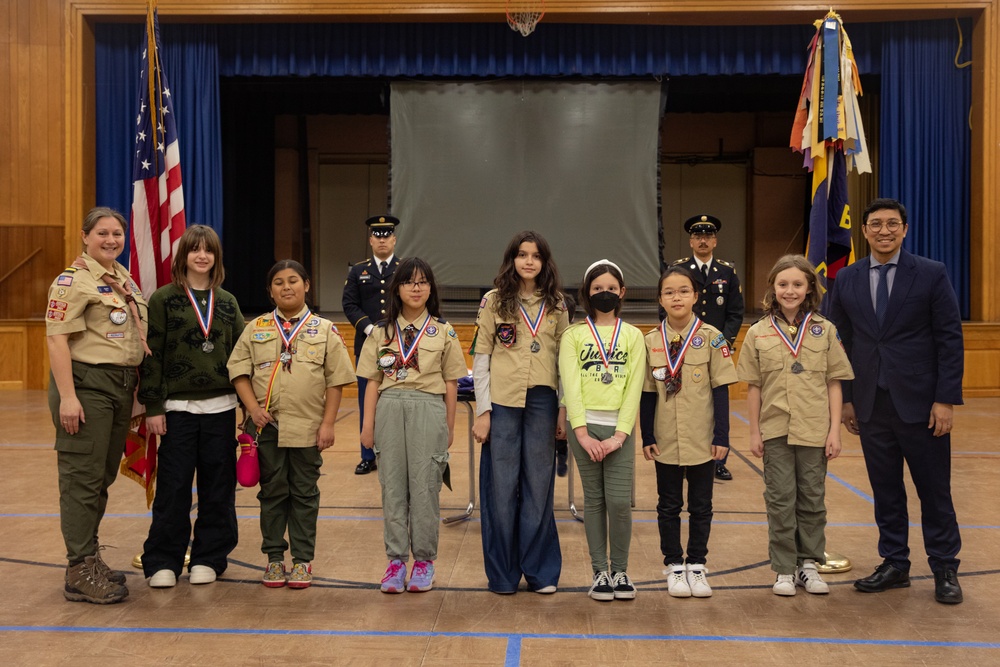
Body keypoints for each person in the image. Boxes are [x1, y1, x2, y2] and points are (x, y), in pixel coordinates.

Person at [828, 198, 965, 605]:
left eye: (892, 224)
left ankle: (944, 566)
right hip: (871, 405)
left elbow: (949, 339)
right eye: (875, 224)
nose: (883, 231)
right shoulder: (847, 278)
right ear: (864, 231)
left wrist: (945, 399)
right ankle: (894, 563)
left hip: (922, 406)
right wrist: (848, 400)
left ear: (904, 229)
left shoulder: (930, 274)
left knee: (934, 490)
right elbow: (842, 343)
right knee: (886, 489)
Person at [228, 260, 355, 589]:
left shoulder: (325, 330)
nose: (287, 287)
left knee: (304, 494)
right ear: (270, 291)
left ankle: (301, 560)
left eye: (293, 281)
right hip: (266, 428)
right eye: (279, 282)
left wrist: (328, 424)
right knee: (271, 494)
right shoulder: (255, 328)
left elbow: (336, 381)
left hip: (308, 429)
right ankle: (273, 558)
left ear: (307, 285)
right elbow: (239, 372)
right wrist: (252, 409)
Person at [46, 206, 149, 604]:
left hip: (118, 387)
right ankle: (78, 570)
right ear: (85, 236)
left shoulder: (122, 279)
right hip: (86, 385)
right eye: (102, 233)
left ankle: (88, 557)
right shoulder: (72, 281)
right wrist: (69, 398)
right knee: (81, 480)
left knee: (101, 476)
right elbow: (57, 340)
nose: (111, 240)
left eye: (117, 234)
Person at [737, 254, 854, 596]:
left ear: (809, 289)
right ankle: (784, 569)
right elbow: (754, 387)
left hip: (815, 430)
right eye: (783, 284)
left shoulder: (825, 330)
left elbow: (835, 383)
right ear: (772, 287)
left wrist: (834, 431)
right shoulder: (758, 333)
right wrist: (754, 431)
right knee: (780, 499)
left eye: (797, 284)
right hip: (775, 430)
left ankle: (808, 565)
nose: (790, 291)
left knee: (813, 500)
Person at [138, 225, 245, 588]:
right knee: (174, 486)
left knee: (218, 487)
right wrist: (153, 406)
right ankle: (163, 560)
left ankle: (210, 557)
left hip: (222, 408)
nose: (202, 256)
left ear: (216, 258)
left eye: (208, 251)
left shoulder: (227, 301)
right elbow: (151, 356)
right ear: (183, 256)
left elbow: (243, 357)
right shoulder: (163, 300)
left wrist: (248, 405)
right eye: (195, 250)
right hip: (177, 409)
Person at [358, 258, 467, 593]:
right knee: (392, 488)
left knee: (424, 489)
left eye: (422, 282)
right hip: (389, 409)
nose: (416, 288)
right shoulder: (380, 332)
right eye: (409, 282)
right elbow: (373, 382)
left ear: (431, 288)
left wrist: (448, 426)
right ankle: (394, 561)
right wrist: (367, 427)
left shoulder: (444, 331)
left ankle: (423, 561)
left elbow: (451, 383)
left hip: (428, 409)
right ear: (398, 288)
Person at [471, 231, 570, 595]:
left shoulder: (558, 304)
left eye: (536, 256)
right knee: (500, 487)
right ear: (511, 259)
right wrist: (483, 412)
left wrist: (563, 409)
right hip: (502, 403)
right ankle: (503, 574)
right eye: (522, 254)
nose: (529, 261)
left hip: (543, 401)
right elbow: (481, 358)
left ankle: (542, 571)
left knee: (539, 486)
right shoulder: (494, 302)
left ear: (544, 262)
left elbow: (565, 363)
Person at [640, 265, 737, 598]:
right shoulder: (650, 341)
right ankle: (673, 566)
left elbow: (722, 389)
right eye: (669, 292)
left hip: (701, 438)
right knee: (667, 504)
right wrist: (648, 437)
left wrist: (721, 437)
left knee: (701, 505)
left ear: (696, 296)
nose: (676, 297)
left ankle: (696, 565)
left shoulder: (712, 337)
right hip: (665, 437)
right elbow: (647, 393)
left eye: (683, 291)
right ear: (660, 299)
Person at [558, 260, 645, 602]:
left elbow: (634, 387)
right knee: (594, 501)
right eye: (597, 289)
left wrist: (620, 435)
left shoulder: (633, 336)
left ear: (621, 292)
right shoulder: (573, 335)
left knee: (620, 502)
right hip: (584, 428)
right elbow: (570, 385)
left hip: (619, 430)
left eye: (610, 288)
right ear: (586, 293)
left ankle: (621, 570)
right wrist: (580, 433)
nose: (604, 293)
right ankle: (600, 573)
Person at [671, 214, 744, 480]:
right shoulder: (678, 271)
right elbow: (666, 308)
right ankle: (687, 456)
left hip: (716, 349)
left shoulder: (726, 272)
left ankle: (719, 460)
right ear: (690, 241)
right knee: (687, 403)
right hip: (684, 349)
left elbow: (736, 312)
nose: (703, 240)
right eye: (697, 236)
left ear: (715, 240)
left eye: (708, 236)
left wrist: (722, 342)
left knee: (718, 403)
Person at [343, 215, 400, 475]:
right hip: (367, 344)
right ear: (370, 241)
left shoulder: (404, 269)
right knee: (367, 400)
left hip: (399, 344)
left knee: (395, 399)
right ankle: (368, 455)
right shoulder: (358, 270)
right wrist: (369, 329)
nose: (382, 240)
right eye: (378, 236)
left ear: (394, 239)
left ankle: (393, 453)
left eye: (387, 235)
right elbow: (349, 305)